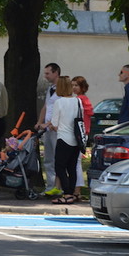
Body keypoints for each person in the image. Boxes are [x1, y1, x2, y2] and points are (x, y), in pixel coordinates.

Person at [49, 76, 82, 204]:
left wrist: (51, 126)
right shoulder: (77, 101)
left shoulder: (59, 102)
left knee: (60, 166)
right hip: (76, 139)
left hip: (63, 138)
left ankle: (67, 193)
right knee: (72, 167)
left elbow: (55, 124)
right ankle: (73, 193)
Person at [34, 62, 62, 196]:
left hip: (57, 128)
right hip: (47, 129)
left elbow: (60, 110)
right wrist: (40, 121)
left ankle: (59, 186)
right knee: (48, 159)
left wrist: (49, 123)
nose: (45, 76)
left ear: (56, 73)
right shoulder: (50, 89)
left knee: (58, 158)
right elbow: (46, 106)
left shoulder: (62, 89)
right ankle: (50, 186)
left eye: (47, 73)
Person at [71, 76, 93, 197]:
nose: (74, 88)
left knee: (76, 162)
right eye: (72, 85)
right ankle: (77, 188)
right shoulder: (83, 99)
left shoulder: (79, 100)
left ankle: (77, 189)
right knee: (76, 162)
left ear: (82, 87)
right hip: (83, 132)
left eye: (76, 85)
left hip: (79, 133)